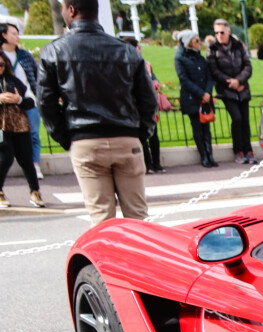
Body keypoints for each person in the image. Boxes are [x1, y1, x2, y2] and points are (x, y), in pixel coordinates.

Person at [37, 0, 156, 224]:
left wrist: (67, 137)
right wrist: (140, 134)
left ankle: (106, 260)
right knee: (138, 218)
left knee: (101, 219)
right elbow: (147, 100)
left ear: (71, 10)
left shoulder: (54, 50)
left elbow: (46, 102)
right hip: (125, 136)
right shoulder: (126, 50)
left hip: (85, 139)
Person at [208, 18, 254, 164]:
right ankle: (238, 150)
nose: (219, 35)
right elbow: (214, 71)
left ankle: (249, 150)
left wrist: (239, 81)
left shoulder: (238, 46)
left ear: (228, 31)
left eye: (222, 32)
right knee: (237, 119)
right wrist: (231, 83)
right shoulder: (213, 49)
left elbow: (247, 66)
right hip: (226, 90)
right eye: (216, 33)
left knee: (245, 121)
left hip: (242, 88)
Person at [0, 52, 43, 208]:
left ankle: (35, 191)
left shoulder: (14, 81)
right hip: (1, 127)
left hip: (19, 125)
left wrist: (18, 100)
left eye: (2, 65)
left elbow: (31, 101)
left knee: (26, 159)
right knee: (5, 159)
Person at [0, 23, 42, 180]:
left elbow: (37, 77)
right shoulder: (0, 55)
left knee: (33, 134)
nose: (17, 37)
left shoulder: (25, 55)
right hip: (4, 106)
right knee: (5, 142)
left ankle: (35, 165)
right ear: (4, 35)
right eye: (14, 34)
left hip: (27, 100)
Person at [120, 36, 163, 174]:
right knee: (142, 138)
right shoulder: (124, 64)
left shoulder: (146, 64)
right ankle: (147, 164)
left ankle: (156, 163)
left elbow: (153, 78)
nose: (140, 49)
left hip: (147, 104)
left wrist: (155, 83)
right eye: (138, 47)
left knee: (153, 135)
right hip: (135, 105)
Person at [175, 30, 217, 168]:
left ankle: (210, 155)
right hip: (192, 98)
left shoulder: (200, 58)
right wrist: (201, 94)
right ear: (188, 43)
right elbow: (184, 80)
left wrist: (208, 92)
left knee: (207, 128)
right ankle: (203, 156)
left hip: (205, 97)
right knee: (197, 128)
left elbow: (209, 77)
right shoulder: (180, 58)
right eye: (196, 40)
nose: (200, 43)